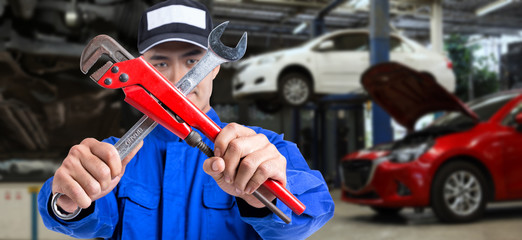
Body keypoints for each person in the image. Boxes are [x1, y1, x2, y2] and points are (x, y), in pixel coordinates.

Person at [38, 0, 334, 239]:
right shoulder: (113, 158)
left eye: (193, 61)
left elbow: (313, 211)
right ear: (139, 73)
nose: (178, 79)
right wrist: (66, 201)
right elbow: (76, 219)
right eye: (160, 63)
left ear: (215, 68)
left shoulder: (262, 148)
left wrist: (265, 195)